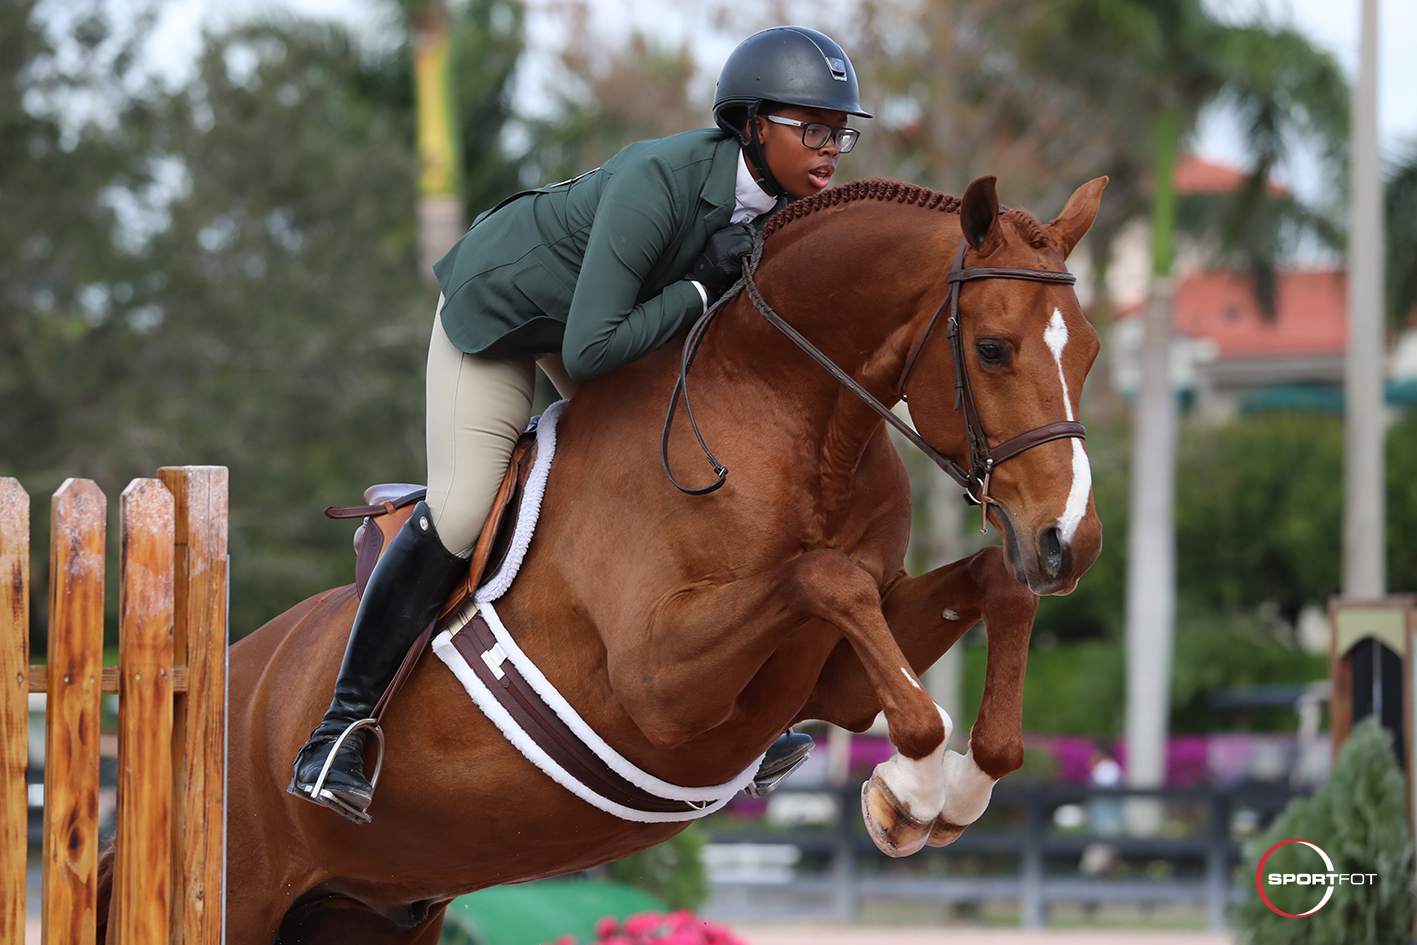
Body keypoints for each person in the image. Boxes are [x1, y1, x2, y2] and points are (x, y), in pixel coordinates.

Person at [289, 26, 872, 821]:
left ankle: (734, 697)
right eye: (812, 126)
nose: (831, 145)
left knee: (688, 476)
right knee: (463, 506)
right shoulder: (657, 179)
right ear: (749, 124)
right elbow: (591, 352)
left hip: (601, 323)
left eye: (838, 129)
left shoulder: (785, 208)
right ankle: (337, 731)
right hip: (504, 318)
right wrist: (703, 286)